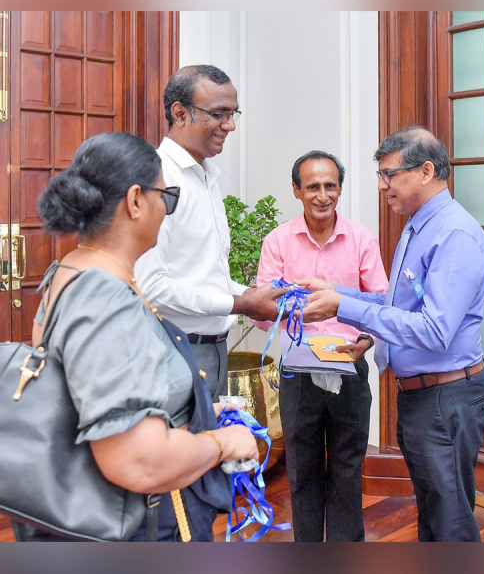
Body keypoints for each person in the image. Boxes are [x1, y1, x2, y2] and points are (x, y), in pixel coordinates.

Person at [14, 132, 259, 542]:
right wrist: (223, 442)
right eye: (167, 197)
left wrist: (196, 412)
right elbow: (139, 462)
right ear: (135, 201)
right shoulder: (105, 297)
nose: (167, 210)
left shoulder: (74, 268)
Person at [299, 126, 484, 542]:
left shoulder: (453, 234)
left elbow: (435, 330)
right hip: (423, 395)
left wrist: (343, 307)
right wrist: (339, 293)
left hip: (445, 397)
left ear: (426, 171)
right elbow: (398, 305)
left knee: (450, 523)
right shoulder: (419, 225)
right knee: (433, 517)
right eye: (380, 175)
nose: (382, 186)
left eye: (390, 175)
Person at [253, 150, 388, 542]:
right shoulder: (278, 241)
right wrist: (293, 313)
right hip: (298, 371)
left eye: (331, 186)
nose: (323, 195)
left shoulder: (362, 239)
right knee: (302, 469)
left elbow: (381, 303)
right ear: (297, 190)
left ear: (340, 189)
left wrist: (366, 340)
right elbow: (261, 314)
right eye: (313, 186)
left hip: (350, 365)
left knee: (348, 468)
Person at [135, 64, 284, 402]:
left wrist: (255, 294)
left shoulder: (205, 177)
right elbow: (150, 287)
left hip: (214, 351)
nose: (230, 125)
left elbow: (203, 276)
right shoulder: (156, 178)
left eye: (233, 114)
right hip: (172, 352)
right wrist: (241, 304)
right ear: (180, 113)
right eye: (219, 114)